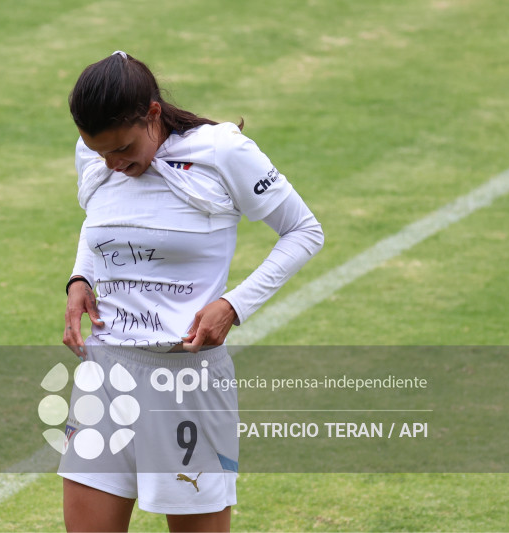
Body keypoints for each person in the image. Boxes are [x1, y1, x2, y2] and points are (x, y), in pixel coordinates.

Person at [59, 51, 323, 532]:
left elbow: (304, 231)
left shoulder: (222, 152)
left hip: (186, 384)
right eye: (100, 154)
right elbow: (102, 218)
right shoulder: (98, 154)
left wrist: (233, 305)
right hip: (105, 373)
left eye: (123, 149)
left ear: (152, 113)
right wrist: (81, 278)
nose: (113, 164)